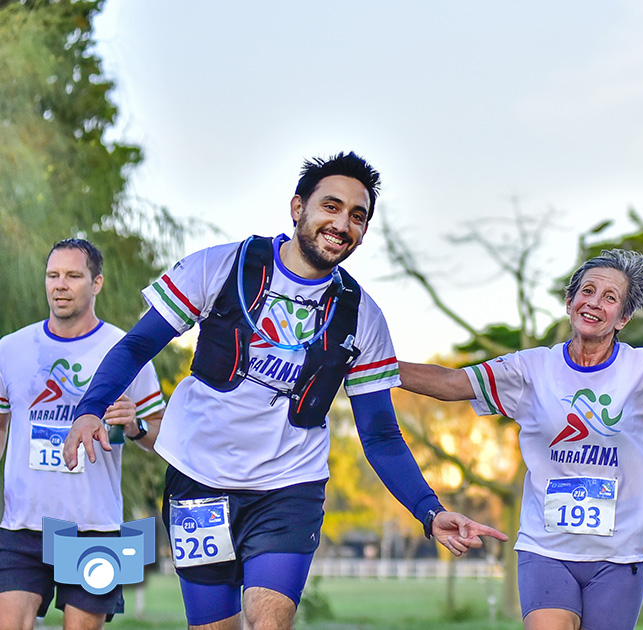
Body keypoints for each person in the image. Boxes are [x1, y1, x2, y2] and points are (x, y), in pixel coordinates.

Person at [64, 152, 506, 630]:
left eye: (358, 216)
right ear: (298, 208)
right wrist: (89, 409)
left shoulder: (362, 317)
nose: (342, 224)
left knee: (269, 622)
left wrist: (429, 510)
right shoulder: (223, 266)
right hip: (198, 479)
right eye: (331, 207)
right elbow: (136, 345)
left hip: (287, 486)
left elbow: (379, 434)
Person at [394, 249, 643, 630]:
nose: (595, 303)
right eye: (587, 291)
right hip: (545, 548)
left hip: (621, 553)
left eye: (610, 298)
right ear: (569, 301)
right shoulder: (531, 369)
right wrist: (371, 365)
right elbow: (449, 383)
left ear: (623, 317)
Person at [0, 238, 164, 630]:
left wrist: (135, 426)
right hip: (22, 525)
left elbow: (162, 435)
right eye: (53, 275)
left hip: (94, 526)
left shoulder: (126, 350)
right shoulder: (11, 349)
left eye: (73, 276)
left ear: (97, 283)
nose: (60, 285)